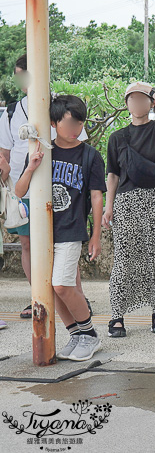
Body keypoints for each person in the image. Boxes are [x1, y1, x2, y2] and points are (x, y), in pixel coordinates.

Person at [13, 95, 106, 362]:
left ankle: (89, 335)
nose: (76, 128)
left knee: (62, 285)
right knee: (51, 289)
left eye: (80, 122)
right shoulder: (42, 151)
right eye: (70, 122)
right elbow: (19, 191)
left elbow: (96, 197)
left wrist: (96, 235)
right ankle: (76, 334)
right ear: (54, 123)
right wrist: (31, 167)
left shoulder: (90, 155)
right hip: (43, 231)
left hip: (71, 229)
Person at [0, 54, 89, 319]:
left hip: (61, 190)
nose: (21, 81)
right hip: (24, 187)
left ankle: (76, 297)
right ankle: (38, 296)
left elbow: (79, 146)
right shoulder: (13, 111)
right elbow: (5, 153)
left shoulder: (61, 106)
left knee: (63, 244)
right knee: (27, 244)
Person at [103, 82, 155, 337]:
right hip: (126, 201)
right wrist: (108, 206)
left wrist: (151, 89)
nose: (137, 103)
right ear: (126, 104)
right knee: (124, 257)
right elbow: (113, 175)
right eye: (132, 99)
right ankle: (117, 315)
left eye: (142, 99)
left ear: (151, 103)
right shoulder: (117, 137)